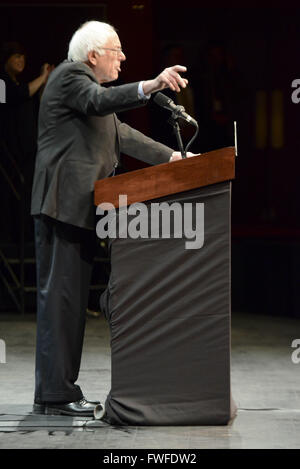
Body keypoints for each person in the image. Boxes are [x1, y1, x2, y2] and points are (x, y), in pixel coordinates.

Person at [31, 20, 193, 417]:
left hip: (79, 211)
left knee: (70, 303)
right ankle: (55, 395)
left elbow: (123, 134)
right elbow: (101, 105)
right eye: (116, 50)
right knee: (61, 304)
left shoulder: (93, 95)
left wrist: (176, 159)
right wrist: (150, 86)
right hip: (61, 207)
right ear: (92, 56)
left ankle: (58, 391)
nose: (122, 57)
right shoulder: (72, 78)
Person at [0, 41, 51, 241]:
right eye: (16, 56)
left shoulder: (20, 84)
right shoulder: (2, 83)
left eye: (22, 56)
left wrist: (44, 80)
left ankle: (25, 235)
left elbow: (33, 98)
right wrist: (43, 77)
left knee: (25, 196)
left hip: (27, 152)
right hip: (10, 153)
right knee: (11, 198)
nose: (21, 60)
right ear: (6, 59)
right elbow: (16, 96)